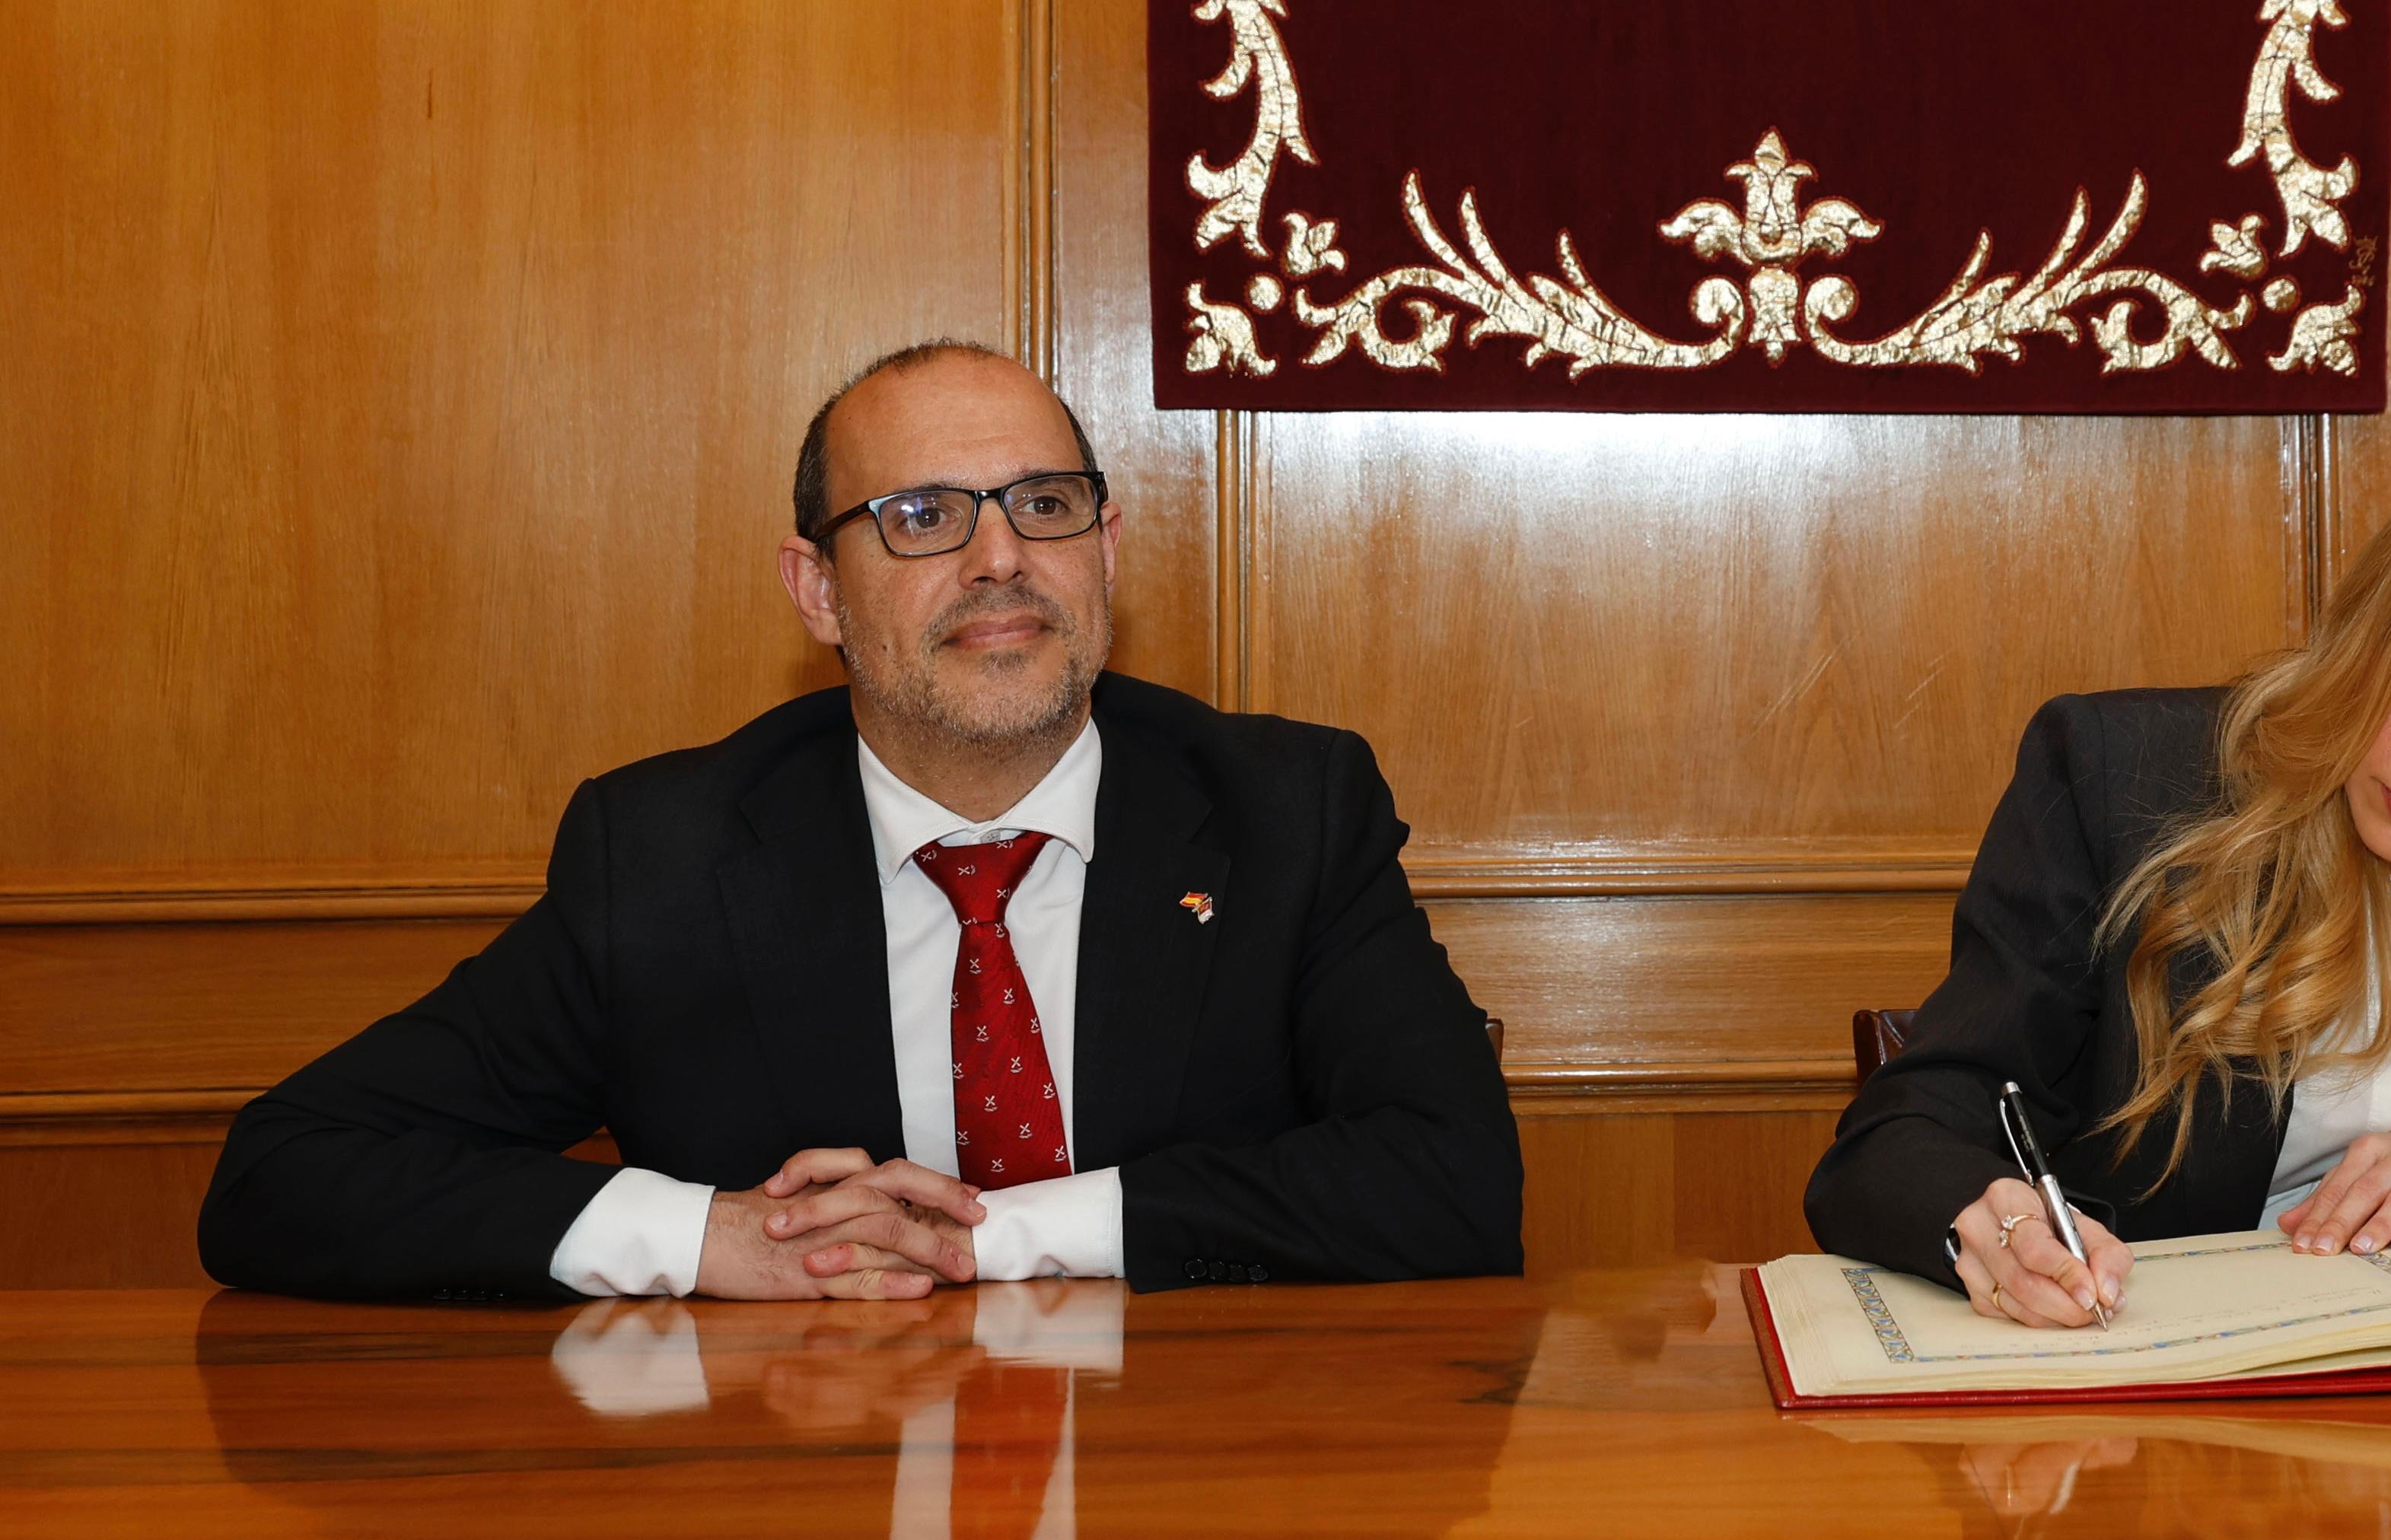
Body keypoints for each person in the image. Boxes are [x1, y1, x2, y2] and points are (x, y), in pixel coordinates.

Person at [199, 340, 1520, 1301]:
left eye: (1042, 505)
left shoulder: (1286, 811)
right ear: (818, 591)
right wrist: (710, 1237)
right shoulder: (668, 851)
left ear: (1105, 549)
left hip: (1201, 1504)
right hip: (807, 1503)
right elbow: (286, 1172)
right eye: (922, 516)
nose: (998, 558)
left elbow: (1452, 1181)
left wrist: (996, 1233)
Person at [1804, 441, 2391, 1328]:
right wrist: (1993, 1227)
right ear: (2362, 633)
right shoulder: (2123, 783)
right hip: (2165, 1433)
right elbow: (1896, 1139)